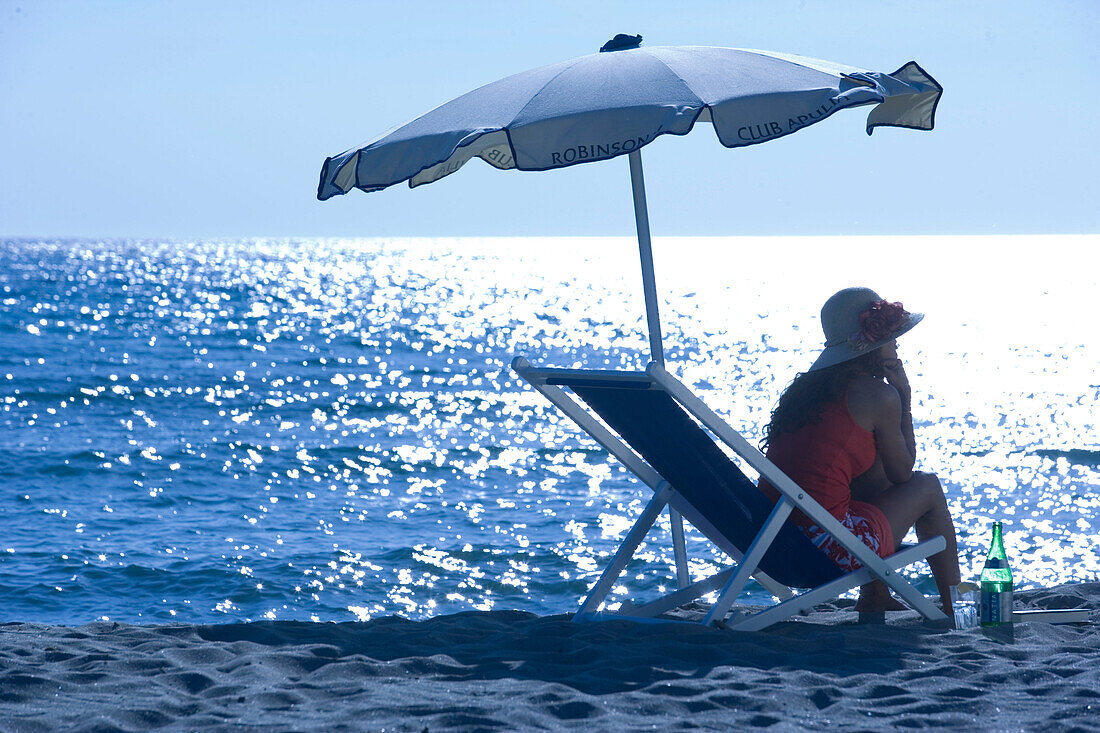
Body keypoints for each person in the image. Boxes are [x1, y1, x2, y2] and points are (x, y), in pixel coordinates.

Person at [758, 287, 961, 618]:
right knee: (929, 487)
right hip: (828, 548)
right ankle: (955, 607)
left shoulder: (805, 393)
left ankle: (876, 595)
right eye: (893, 339)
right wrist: (904, 397)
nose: (896, 346)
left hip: (776, 539)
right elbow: (904, 474)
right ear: (874, 346)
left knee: (866, 474)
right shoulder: (877, 395)